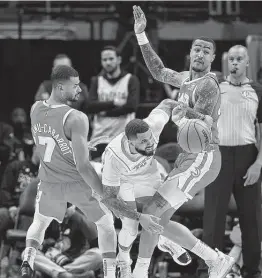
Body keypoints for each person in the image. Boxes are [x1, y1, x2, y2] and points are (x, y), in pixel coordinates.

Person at [21, 64, 161, 278]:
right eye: (75, 86)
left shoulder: (35, 109)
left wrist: (80, 147)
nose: (80, 91)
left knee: (39, 221)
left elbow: (49, 145)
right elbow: (83, 166)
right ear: (60, 87)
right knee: (105, 223)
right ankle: (109, 273)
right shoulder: (77, 117)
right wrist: (104, 193)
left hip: (49, 181)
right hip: (75, 182)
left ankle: (27, 260)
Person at [128, 5, 235, 278]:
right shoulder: (186, 78)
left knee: (152, 213)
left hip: (203, 156)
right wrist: (141, 36)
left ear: (213, 58)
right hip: (187, 156)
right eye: (196, 49)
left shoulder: (209, 85)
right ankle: (210, 257)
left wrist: (177, 112)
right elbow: (158, 71)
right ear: (190, 53)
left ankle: (139, 271)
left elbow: (204, 121)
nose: (199, 53)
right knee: (153, 213)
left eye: (205, 51)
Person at [101, 100, 193, 278]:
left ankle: (164, 240)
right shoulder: (114, 157)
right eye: (144, 142)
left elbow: (167, 103)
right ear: (130, 142)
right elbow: (109, 198)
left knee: (164, 206)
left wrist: (192, 115)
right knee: (131, 226)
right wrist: (138, 216)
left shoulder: (154, 125)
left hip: (148, 173)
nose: (151, 143)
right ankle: (124, 260)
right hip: (123, 180)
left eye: (151, 137)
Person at [199, 45, 262, 278]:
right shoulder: (215, 88)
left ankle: (253, 271)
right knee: (213, 217)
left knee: (252, 218)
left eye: (239, 59)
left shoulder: (257, 90)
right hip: (219, 155)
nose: (235, 63)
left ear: (247, 62)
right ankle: (208, 270)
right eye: (231, 59)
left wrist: (258, 164)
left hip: (248, 156)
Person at [87, 45, 140, 158]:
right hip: (100, 137)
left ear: (119, 60)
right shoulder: (97, 80)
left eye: (111, 59)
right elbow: (90, 106)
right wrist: (114, 103)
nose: (108, 62)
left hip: (123, 137)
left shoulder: (131, 79)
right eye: (104, 60)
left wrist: (104, 112)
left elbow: (131, 106)